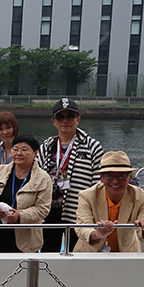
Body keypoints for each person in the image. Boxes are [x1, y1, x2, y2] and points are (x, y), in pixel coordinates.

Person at [37, 98, 104, 253]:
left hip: (78, 209)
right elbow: (37, 177)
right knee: (48, 252)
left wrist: (93, 210)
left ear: (78, 119)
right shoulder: (47, 146)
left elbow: (98, 181)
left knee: (77, 252)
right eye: (61, 117)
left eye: (70, 116)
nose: (65, 120)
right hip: (50, 210)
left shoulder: (92, 146)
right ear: (54, 121)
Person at [74, 151, 144, 253]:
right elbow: (82, 228)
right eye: (109, 176)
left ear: (130, 178)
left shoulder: (142, 197)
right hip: (89, 254)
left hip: (127, 255)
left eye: (121, 176)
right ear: (101, 177)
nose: (115, 181)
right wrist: (98, 233)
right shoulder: (87, 196)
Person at [0, 134, 52, 253]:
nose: (18, 153)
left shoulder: (43, 178)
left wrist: (20, 215)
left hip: (25, 238)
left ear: (35, 154)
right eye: (15, 149)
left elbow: (43, 209)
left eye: (24, 150)